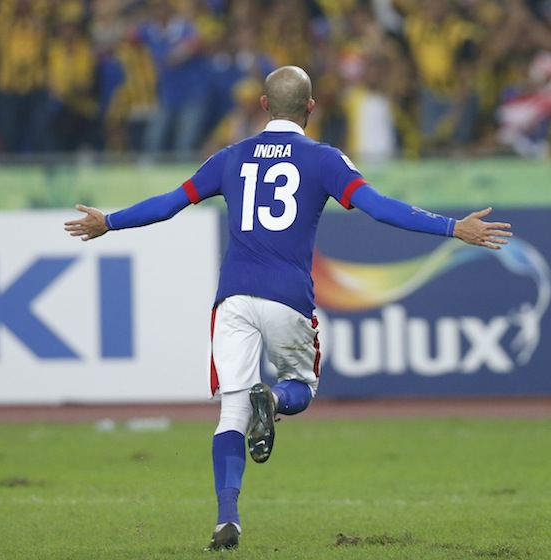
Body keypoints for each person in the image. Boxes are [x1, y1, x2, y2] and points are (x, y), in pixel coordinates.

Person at [64, 65, 512, 551]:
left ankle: (226, 519)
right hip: (288, 297)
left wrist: (110, 221)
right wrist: (453, 228)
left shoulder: (229, 157)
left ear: (263, 105)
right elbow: (379, 208)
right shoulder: (324, 160)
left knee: (231, 412)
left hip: (232, 297)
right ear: (311, 108)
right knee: (300, 386)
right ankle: (273, 401)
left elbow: (170, 204)